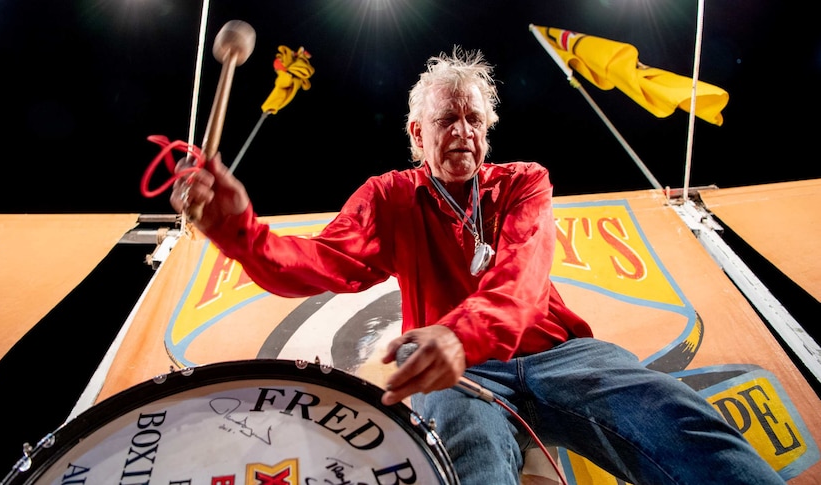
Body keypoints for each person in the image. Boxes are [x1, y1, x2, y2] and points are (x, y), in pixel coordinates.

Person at [170, 47, 786, 484]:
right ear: (417, 134)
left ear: (488, 130)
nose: (462, 131)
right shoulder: (388, 195)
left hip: (562, 355)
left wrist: (458, 335)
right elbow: (318, 265)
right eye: (446, 119)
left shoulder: (525, 181)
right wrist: (237, 230)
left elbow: (522, 277)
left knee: (678, 416)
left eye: (474, 119)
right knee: (466, 458)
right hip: (459, 378)